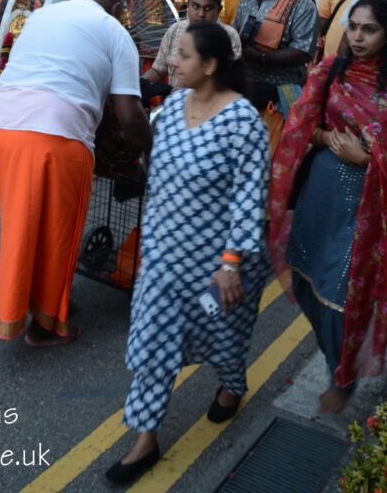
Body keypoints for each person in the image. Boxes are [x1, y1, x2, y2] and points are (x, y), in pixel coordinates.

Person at [106, 24, 269, 484]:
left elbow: (249, 199)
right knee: (154, 344)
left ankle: (232, 386)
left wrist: (231, 264)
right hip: (163, 260)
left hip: (220, 269)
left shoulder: (243, 123)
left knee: (227, 339)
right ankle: (144, 441)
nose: (171, 62)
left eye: (182, 55)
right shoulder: (174, 105)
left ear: (211, 65)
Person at [269, 0, 387, 413]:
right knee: (304, 280)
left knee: (342, 295)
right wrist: (326, 140)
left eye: (368, 29)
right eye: (353, 26)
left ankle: (344, 371)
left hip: (369, 202)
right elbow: (307, 122)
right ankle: (335, 355)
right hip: (322, 191)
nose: (357, 36)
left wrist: (368, 157)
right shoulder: (333, 70)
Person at [0, 0, 152, 346]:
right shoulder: (114, 31)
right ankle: (44, 328)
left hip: (2, 126)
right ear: (120, 9)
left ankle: (42, 304)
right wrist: (154, 153)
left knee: (24, 225)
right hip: (54, 136)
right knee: (58, 230)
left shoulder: (43, 15)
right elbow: (130, 116)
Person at [232, 0, 317, 156]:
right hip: (248, 90)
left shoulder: (301, 2)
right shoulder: (246, 1)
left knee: (276, 157)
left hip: (281, 93)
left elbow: (303, 51)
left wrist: (260, 57)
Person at [143, 0, 241, 96]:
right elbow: (158, 70)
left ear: (219, 9)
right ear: (188, 5)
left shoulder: (229, 36)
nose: (201, 14)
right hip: (176, 106)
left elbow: (230, 81)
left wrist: (185, 93)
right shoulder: (175, 30)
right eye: (195, 6)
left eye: (208, 8)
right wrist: (140, 85)